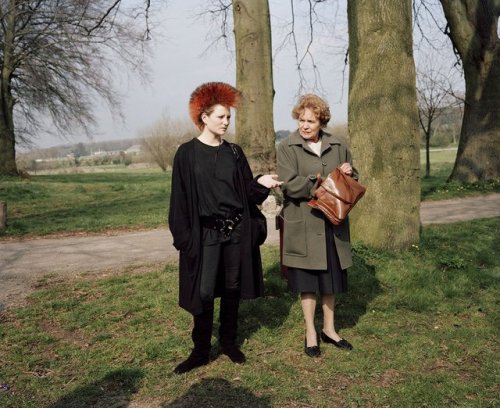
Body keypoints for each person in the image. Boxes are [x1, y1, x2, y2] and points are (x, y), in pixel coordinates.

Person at [169, 82, 282, 374]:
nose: (226, 121)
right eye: (220, 116)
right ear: (203, 117)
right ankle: (200, 351)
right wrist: (184, 240)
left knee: (232, 288)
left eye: (229, 117)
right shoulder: (187, 154)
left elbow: (245, 190)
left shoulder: (234, 152)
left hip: (236, 233)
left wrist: (261, 183)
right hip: (204, 235)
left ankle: (229, 343)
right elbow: (179, 200)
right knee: (204, 292)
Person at [277, 94, 357, 358]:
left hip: (332, 225)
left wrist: (349, 172)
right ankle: (311, 332)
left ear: (322, 121)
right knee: (308, 283)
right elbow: (288, 185)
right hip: (305, 225)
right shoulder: (287, 147)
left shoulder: (338, 145)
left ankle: (330, 330)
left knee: (330, 281)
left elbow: (351, 182)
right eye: (301, 120)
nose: (305, 125)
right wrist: (315, 181)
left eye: (311, 121)